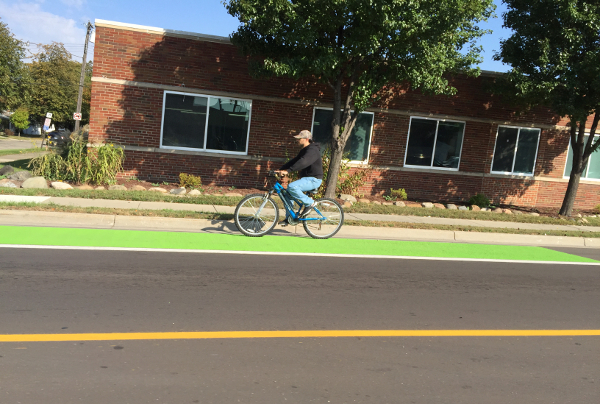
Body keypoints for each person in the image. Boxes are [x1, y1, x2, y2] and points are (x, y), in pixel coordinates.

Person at [275, 129, 323, 218]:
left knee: (291, 186)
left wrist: (288, 171)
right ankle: (290, 218)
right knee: (287, 195)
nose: (298, 140)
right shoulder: (304, 150)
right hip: (306, 179)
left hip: (314, 179)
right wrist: (281, 169)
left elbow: (303, 162)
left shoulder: (313, 150)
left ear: (306, 139)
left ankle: (310, 203)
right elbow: (295, 161)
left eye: (300, 138)